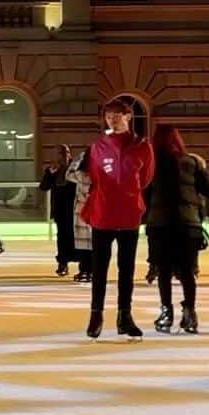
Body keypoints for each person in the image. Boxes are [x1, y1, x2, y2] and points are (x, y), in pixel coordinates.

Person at [83, 98, 155, 339]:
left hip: (128, 214)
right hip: (103, 214)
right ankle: (96, 315)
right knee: (99, 269)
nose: (112, 119)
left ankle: (125, 315)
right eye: (108, 115)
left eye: (117, 115)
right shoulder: (97, 147)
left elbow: (145, 178)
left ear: (128, 117)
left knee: (126, 269)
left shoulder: (142, 146)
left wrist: (129, 193)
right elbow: (94, 176)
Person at [145, 125, 209, 335]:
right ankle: (190, 313)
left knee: (164, 272)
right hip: (188, 224)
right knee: (187, 272)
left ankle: (166, 313)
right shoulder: (192, 163)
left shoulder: (152, 165)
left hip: (160, 225)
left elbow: (143, 193)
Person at [39, 145, 76, 276]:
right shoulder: (53, 169)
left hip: (74, 209)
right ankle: (63, 263)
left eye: (64, 153)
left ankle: (84, 265)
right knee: (62, 237)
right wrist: (50, 173)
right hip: (60, 209)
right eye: (59, 153)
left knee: (76, 237)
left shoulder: (75, 167)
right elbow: (43, 187)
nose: (62, 156)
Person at [65, 149, 94, 282]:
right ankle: (93, 271)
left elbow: (69, 174)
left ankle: (84, 270)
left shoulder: (81, 175)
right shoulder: (100, 175)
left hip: (81, 210)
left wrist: (77, 159)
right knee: (95, 244)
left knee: (83, 245)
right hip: (96, 211)